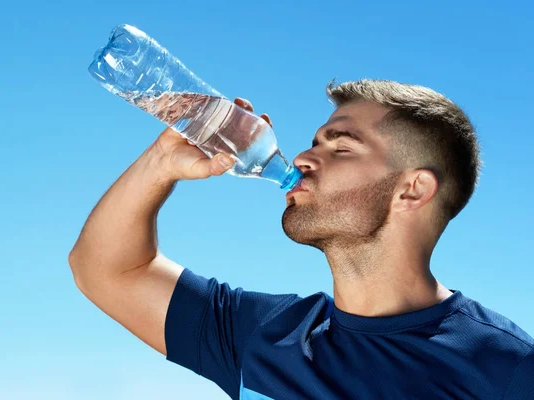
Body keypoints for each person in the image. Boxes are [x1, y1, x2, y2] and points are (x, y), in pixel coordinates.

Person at [68, 79, 534, 399]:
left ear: (411, 189)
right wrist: (161, 163)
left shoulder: (506, 368)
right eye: (315, 140)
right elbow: (107, 269)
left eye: (342, 145)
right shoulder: (265, 333)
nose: (305, 157)